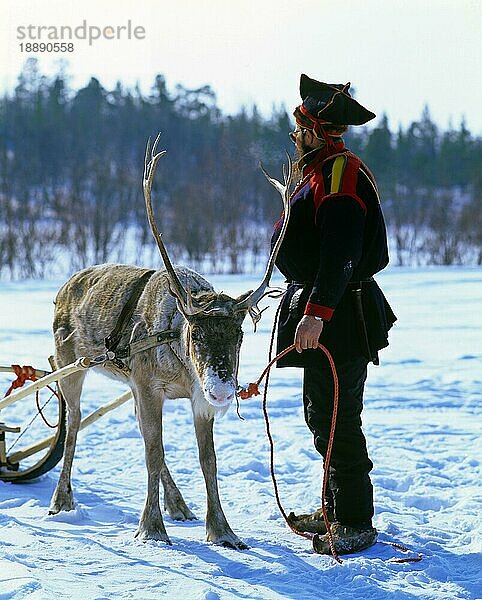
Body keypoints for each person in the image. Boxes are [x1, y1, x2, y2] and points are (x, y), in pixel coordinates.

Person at [271, 74, 396, 555]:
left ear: (314, 131)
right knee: (320, 415)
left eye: (298, 129)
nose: (293, 137)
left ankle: (354, 521)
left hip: (340, 316)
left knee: (338, 419)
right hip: (328, 310)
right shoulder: (323, 172)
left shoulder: (341, 175)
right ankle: (333, 509)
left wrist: (317, 313)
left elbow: (341, 253)